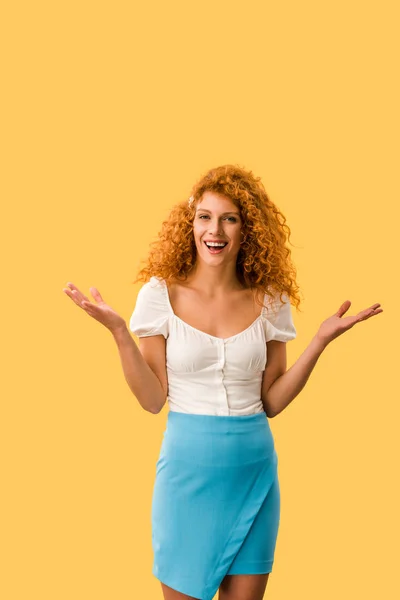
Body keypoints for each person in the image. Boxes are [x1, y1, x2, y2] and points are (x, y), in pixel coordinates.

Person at [63, 164, 383, 600]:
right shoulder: (161, 295)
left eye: (229, 218)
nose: (215, 230)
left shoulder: (270, 299)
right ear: (191, 224)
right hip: (186, 478)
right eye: (205, 217)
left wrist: (320, 342)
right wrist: (121, 333)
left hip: (254, 474)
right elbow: (153, 399)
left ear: (246, 229)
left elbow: (272, 401)